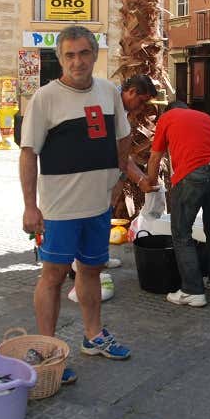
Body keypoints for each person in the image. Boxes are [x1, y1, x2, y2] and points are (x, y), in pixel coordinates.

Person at [20, 25, 133, 386]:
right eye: (69, 55)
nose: (77, 62)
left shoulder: (108, 91)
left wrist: (117, 180)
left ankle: (93, 336)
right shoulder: (45, 98)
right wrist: (29, 207)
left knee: (91, 270)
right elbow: (27, 154)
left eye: (84, 53)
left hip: (98, 205)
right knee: (52, 277)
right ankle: (49, 348)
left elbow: (124, 137)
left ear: (95, 55)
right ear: (60, 59)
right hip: (59, 209)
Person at [66, 73, 158, 303]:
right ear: (131, 92)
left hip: (104, 173)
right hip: (87, 172)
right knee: (88, 217)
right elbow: (119, 153)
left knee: (103, 214)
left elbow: (121, 153)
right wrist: (139, 179)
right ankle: (79, 267)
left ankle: (97, 257)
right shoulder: (106, 106)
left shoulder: (118, 107)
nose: (143, 106)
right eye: (142, 100)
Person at [143, 102, 210, 307]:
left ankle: (192, 290)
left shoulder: (167, 117)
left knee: (181, 232)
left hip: (194, 173)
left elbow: (155, 157)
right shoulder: (206, 117)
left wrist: (151, 183)